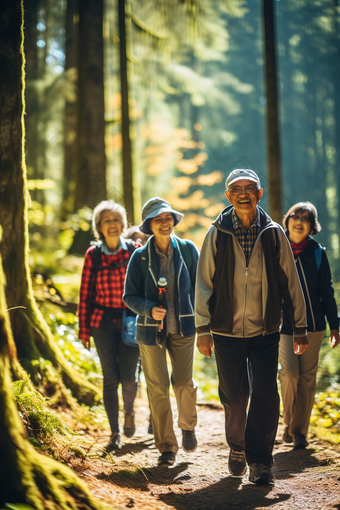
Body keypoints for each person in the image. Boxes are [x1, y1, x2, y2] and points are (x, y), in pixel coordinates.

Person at [195, 169, 308, 485]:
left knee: (266, 394)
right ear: (228, 196)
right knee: (233, 396)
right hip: (225, 330)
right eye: (236, 189)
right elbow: (203, 283)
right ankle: (238, 447)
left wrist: (299, 326)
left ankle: (261, 462)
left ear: (259, 194)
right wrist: (202, 329)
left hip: (266, 330)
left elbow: (291, 282)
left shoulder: (273, 233)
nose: (243, 193)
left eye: (250, 188)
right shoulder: (216, 233)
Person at [123, 197, 199, 466]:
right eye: (158, 219)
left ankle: (188, 426)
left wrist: (205, 326)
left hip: (184, 329)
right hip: (149, 333)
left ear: (174, 221)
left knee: (182, 383)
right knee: (157, 387)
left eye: (168, 217)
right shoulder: (139, 257)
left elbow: (200, 291)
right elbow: (128, 296)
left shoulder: (189, 250)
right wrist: (147, 308)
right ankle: (167, 447)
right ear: (149, 225)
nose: (165, 222)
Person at [78, 200, 140, 452]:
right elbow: (85, 295)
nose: (112, 225)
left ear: (123, 225)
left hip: (131, 323)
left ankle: (129, 411)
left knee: (129, 377)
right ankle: (115, 433)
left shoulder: (135, 251)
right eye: (107, 220)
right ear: (99, 227)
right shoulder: (93, 255)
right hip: (101, 324)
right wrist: (83, 329)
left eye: (116, 220)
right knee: (109, 377)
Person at [279, 202, 340, 449]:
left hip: (314, 325)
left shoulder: (317, 253)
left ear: (311, 226)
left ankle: (299, 433)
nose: (299, 221)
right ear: (288, 219)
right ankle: (288, 422)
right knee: (289, 374)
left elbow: (327, 292)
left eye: (306, 218)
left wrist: (334, 326)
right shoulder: (276, 248)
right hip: (284, 326)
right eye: (295, 215)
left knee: (307, 379)